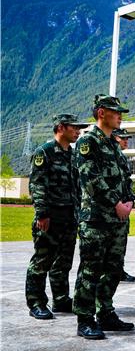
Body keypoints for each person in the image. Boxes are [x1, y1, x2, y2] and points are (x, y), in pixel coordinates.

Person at [73, 95, 135, 339]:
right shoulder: (88, 141)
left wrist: (129, 201)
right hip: (96, 219)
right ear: (101, 113)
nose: (120, 116)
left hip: (118, 221)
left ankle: (105, 312)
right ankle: (85, 319)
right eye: (115, 112)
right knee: (91, 270)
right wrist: (116, 204)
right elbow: (91, 179)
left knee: (113, 269)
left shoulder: (113, 145)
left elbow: (125, 179)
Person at [26, 113, 88, 320]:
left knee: (63, 262)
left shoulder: (73, 154)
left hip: (70, 217)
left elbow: (78, 187)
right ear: (61, 127)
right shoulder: (45, 152)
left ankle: (61, 299)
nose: (78, 132)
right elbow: (37, 185)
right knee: (42, 261)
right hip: (50, 218)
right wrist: (42, 214)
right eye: (74, 127)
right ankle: (36, 302)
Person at [112, 128, 135, 283]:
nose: (126, 141)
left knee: (121, 242)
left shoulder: (122, 157)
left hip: (124, 206)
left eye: (127, 139)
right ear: (115, 138)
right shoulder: (111, 155)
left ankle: (119, 270)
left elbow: (127, 182)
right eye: (123, 138)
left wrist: (130, 200)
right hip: (114, 206)